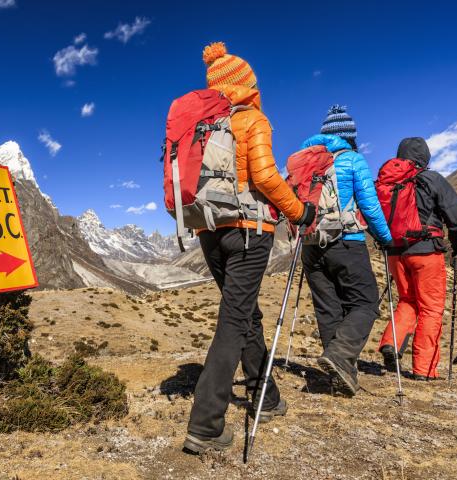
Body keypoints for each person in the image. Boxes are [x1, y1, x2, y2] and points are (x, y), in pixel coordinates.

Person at [183, 42, 315, 454]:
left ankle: (265, 397)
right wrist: (299, 212)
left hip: (208, 230)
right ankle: (206, 425)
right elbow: (264, 176)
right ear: (245, 85)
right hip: (247, 230)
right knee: (235, 317)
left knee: (244, 312)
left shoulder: (202, 126)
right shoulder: (252, 120)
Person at [299, 105, 393, 397]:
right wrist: (385, 238)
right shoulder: (352, 160)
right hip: (346, 240)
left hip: (311, 245)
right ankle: (340, 357)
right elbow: (370, 206)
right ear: (349, 136)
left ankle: (342, 376)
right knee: (365, 303)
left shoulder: (304, 162)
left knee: (328, 309)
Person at [378, 137, 457, 380]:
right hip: (426, 252)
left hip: (396, 253)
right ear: (425, 158)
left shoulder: (390, 181)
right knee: (431, 308)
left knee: (407, 301)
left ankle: (392, 343)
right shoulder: (432, 179)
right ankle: (424, 369)